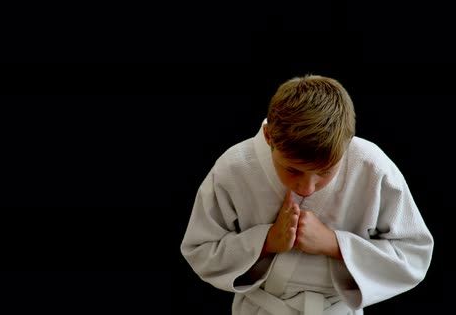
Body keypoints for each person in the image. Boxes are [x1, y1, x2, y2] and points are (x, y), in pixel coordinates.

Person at [180, 74, 434, 315]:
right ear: (269, 137)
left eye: (324, 172)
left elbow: (414, 255)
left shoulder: (371, 167)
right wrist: (267, 241)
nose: (306, 188)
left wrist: (335, 244)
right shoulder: (235, 167)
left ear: (347, 144)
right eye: (292, 170)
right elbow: (199, 250)